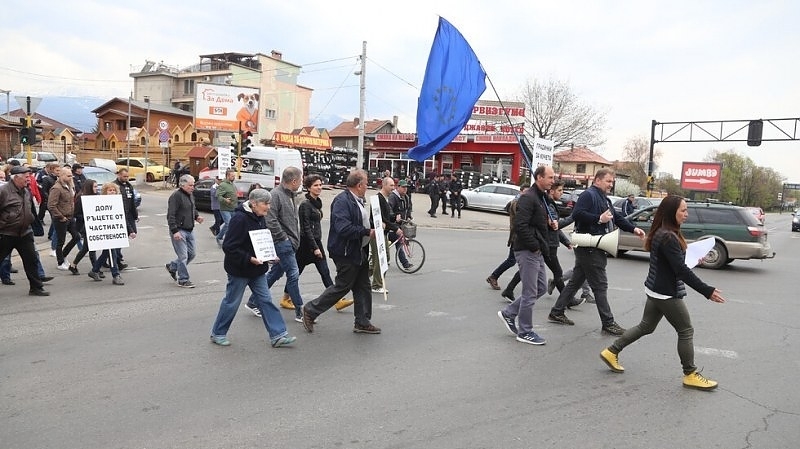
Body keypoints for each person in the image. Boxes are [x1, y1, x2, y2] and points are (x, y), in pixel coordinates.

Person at [599, 195, 726, 390]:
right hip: (666, 293)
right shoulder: (668, 236)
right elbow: (680, 270)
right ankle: (690, 374)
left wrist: (693, 260)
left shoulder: (664, 231)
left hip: (655, 289)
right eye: (683, 210)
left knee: (646, 326)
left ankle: (611, 351)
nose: (686, 214)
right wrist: (706, 291)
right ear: (671, 212)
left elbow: (673, 263)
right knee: (686, 330)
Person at [548, 168, 646, 335]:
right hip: (590, 247)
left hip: (594, 246)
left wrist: (633, 229)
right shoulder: (589, 195)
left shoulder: (603, 198)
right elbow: (577, 214)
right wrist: (599, 219)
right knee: (600, 285)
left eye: (612, 182)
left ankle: (557, 312)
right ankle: (608, 323)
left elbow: (616, 217)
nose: (611, 184)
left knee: (576, 281)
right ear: (598, 180)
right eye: (608, 181)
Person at [209, 188, 296, 348]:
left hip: (257, 270)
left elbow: (260, 242)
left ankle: (278, 335)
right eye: (266, 203)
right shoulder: (239, 219)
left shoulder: (259, 217)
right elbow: (229, 246)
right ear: (254, 203)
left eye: (269, 203)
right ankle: (218, 333)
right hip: (239, 270)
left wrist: (269, 256)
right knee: (231, 302)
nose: (268, 207)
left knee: (266, 301)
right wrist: (249, 258)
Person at [301, 169, 380, 334]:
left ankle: (362, 321)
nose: (367, 186)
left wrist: (375, 226)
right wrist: (367, 232)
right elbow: (343, 228)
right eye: (366, 183)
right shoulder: (342, 201)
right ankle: (311, 310)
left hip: (358, 249)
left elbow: (360, 220)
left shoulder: (357, 200)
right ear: (359, 185)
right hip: (345, 251)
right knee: (343, 286)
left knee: (363, 286)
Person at [496, 165, 555, 345]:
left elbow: (535, 223)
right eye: (550, 177)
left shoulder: (541, 196)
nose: (553, 181)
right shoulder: (528, 197)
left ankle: (509, 313)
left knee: (541, 288)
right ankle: (525, 331)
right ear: (539, 177)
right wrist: (534, 246)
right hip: (527, 250)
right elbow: (520, 226)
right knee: (530, 292)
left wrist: (550, 224)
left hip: (537, 250)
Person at [264, 167, 306, 321]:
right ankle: (300, 310)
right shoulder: (276, 195)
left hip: (290, 242)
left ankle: (253, 302)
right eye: (300, 180)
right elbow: (270, 220)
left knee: (276, 273)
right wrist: (283, 238)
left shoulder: (291, 195)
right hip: (283, 243)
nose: (301, 183)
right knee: (293, 274)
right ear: (294, 181)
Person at [0, 166, 50, 296]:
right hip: (6, 233)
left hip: (25, 233)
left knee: (31, 260)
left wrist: (32, 220)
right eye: (26, 177)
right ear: (16, 178)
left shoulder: (26, 191)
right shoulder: (3, 191)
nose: (29, 179)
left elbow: (30, 209)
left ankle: (36, 288)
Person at [487, 185, 529, 291]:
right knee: (514, 261)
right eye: (525, 192)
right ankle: (494, 277)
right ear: (521, 191)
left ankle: (495, 277)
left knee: (521, 261)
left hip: (520, 236)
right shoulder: (516, 203)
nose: (527, 194)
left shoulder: (520, 202)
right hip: (517, 236)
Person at [165, 174, 203, 288]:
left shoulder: (190, 195)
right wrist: (174, 230)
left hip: (189, 229)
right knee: (183, 256)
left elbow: (192, 208)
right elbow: (171, 215)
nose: (193, 187)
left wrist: (197, 216)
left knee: (192, 254)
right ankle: (183, 279)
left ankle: (172, 267)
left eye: (193, 185)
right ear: (182, 185)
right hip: (179, 230)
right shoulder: (176, 196)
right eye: (190, 185)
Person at [86, 183, 126, 285]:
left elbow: (122, 216)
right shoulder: (99, 202)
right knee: (112, 252)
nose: (112, 192)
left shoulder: (118, 202)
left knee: (106, 253)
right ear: (105, 192)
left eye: (114, 190)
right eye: (109, 190)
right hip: (104, 232)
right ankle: (116, 275)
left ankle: (94, 270)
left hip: (114, 231)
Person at [48, 166, 80, 271]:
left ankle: (63, 255)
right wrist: (61, 216)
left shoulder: (69, 186)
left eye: (71, 176)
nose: (71, 178)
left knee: (77, 237)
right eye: (69, 176)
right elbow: (51, 205)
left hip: (70, 217)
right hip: (61, 218)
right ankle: (60, 262)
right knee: (60, 241)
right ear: (62, 176)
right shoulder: (57, 188)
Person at [370, 176, 398, 293]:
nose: (393, 188)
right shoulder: (377, 199)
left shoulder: (386, 199)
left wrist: (395, 218)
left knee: (384, 257)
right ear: (384, 185)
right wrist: (395, 228)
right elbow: (377, 218)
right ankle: (377, 285)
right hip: (377, 234)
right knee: (380, 259)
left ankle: (361, 276)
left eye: (394, 185)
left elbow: (387, 218)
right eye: (391, 185)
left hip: (384, 234)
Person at [67, 179, 98, 276]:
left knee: (86, 248)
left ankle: (73, 265)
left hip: (93, 225)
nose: (96, 189)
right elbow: (76, 213)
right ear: (89, 187)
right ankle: (95, 269)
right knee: (91, 247)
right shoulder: (81, 197)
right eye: (94, 187)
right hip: (84, 226)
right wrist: (87, 217)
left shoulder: (95, 196)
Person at [113, 168, 138, 269]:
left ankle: (116, 256)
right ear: (119, 175)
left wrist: (135, 215)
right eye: (124, 176)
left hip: (129, 214)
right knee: (119, 238)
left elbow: (132, 202)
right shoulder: (114, 186)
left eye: (127, 176)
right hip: (119, 215)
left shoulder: (128, 186)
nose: (126, 178)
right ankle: (116, 259)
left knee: (130, 233)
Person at [387, 179, 413, 270]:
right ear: (398, 187)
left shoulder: (406, 197)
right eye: (403, 187)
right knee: (399, 243)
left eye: (406, 187)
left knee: (394, 243)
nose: (405, 189)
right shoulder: (393, 197)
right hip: (393, 225)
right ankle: (405, 263)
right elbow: (389, 209)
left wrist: (409, 216)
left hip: (401, 224)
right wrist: (394, 217)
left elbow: (408, 208)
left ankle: (385, 259)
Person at [214, 169, 238, 246]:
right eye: (232, 176)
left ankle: (229, 240)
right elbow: (218, 196)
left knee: (233, 225)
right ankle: (219, 237)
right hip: (225, 209)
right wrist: (225, 200)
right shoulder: (223, 185)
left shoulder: (232, 184)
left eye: (234, 176)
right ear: (227, 176)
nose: (234, 177)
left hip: (233, 208)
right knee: (228, 223)